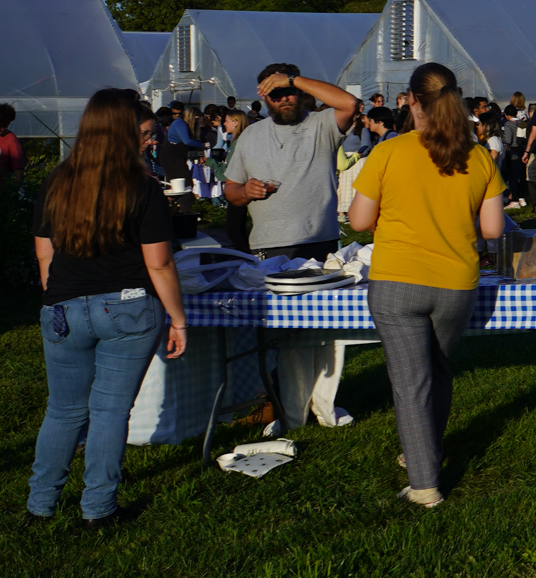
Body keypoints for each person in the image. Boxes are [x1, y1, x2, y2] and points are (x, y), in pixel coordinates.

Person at [347, 63, 506, 509]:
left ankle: (424, 485)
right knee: (437, 370)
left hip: (398, 280)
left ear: (411, 101)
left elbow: (358, 221)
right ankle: (424, 451)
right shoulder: (477, 157)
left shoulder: (389, 152)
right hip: (457, 282)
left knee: (411, 382)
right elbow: (492, 230)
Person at [27, 88, 188, 527]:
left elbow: (44, 253)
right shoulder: (141, 187)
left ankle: (40, 504)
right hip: (127, 307)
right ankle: (97, 508)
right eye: (144, 132)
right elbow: (159, 262)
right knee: (110, 411)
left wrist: (58, 296)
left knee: (62, 411)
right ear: (122, 131)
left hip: (62, 305)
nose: (149, 140)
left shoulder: (57, 180)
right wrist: (178, 318)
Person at [223, 62, 360, 258]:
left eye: (289, 91)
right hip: (267, 244)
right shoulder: (250, 135)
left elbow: (350, 104)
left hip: (318, 241)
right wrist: (245, 192)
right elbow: (230, 189)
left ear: (301, 91)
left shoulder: (322, 123)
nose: (284, 98)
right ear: (264, 97)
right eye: (275, 94)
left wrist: (292, 79)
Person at [0, 103, 24, 180]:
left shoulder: (11, 140)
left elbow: (19, 171)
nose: (2, 129)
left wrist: (14, 190)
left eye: (5, 125)